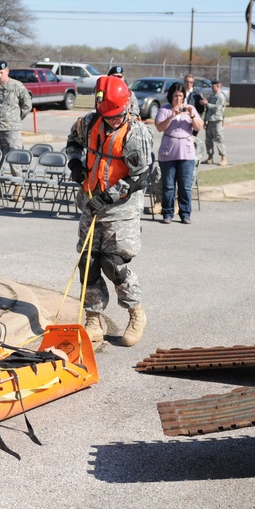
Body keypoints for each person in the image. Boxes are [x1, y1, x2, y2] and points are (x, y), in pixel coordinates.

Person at [66, 75, 154, 347]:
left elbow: (141, 176)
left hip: (121, 208)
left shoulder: (135, 132)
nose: (115, 120)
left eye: (118, 116)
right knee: (88, 262)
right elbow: (73, 142)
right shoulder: (90, 122)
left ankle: (135, 312)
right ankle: (94, 318)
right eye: (110, 117)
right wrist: (75, 163)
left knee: (112, 264)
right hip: (91, 204)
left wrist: (108, 196)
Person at [154, 82, 203, 224]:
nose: (178, 99)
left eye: (181, 96)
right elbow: (159, 127)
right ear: (171, 97)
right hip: (169, 152)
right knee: (169, 185)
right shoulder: (165, 110)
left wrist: (192, 115)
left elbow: (199, 126)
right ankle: (168, 212)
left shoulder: (190, 109)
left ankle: (185, 213)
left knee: (185, 185)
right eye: (175, 96)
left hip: (186, 153)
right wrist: (172, 116)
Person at [0, 60, 32, 178]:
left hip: (11, 129)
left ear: (7, 71)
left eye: (2, 72)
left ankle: (18, 188)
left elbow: (27, 104)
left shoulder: (17, 86)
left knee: (14, 159)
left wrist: (17, 118)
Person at [204, 80, 228, 165]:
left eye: (213, 86)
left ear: (218, 86)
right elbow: (207, 110)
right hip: (210, 120)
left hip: (217, 120)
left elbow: (217, 108)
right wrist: (205, 120)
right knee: (208, 140)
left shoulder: (220, 96)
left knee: (219, 139)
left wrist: (207, 104)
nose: (211, 87)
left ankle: (223, 158)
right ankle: (210, 158)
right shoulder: (212, 96)